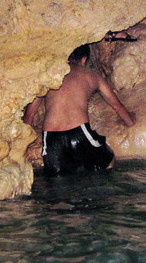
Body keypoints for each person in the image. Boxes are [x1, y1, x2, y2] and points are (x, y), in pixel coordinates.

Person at [23, 44, 135, 175]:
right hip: (79, 134)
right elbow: (116, 105)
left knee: (57, 182)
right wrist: (130, 122)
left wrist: (23, 146)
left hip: (52, 139)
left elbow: (29, 115)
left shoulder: (50, 77)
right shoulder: (91, 75)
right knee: (107, 162)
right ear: (84, 59)